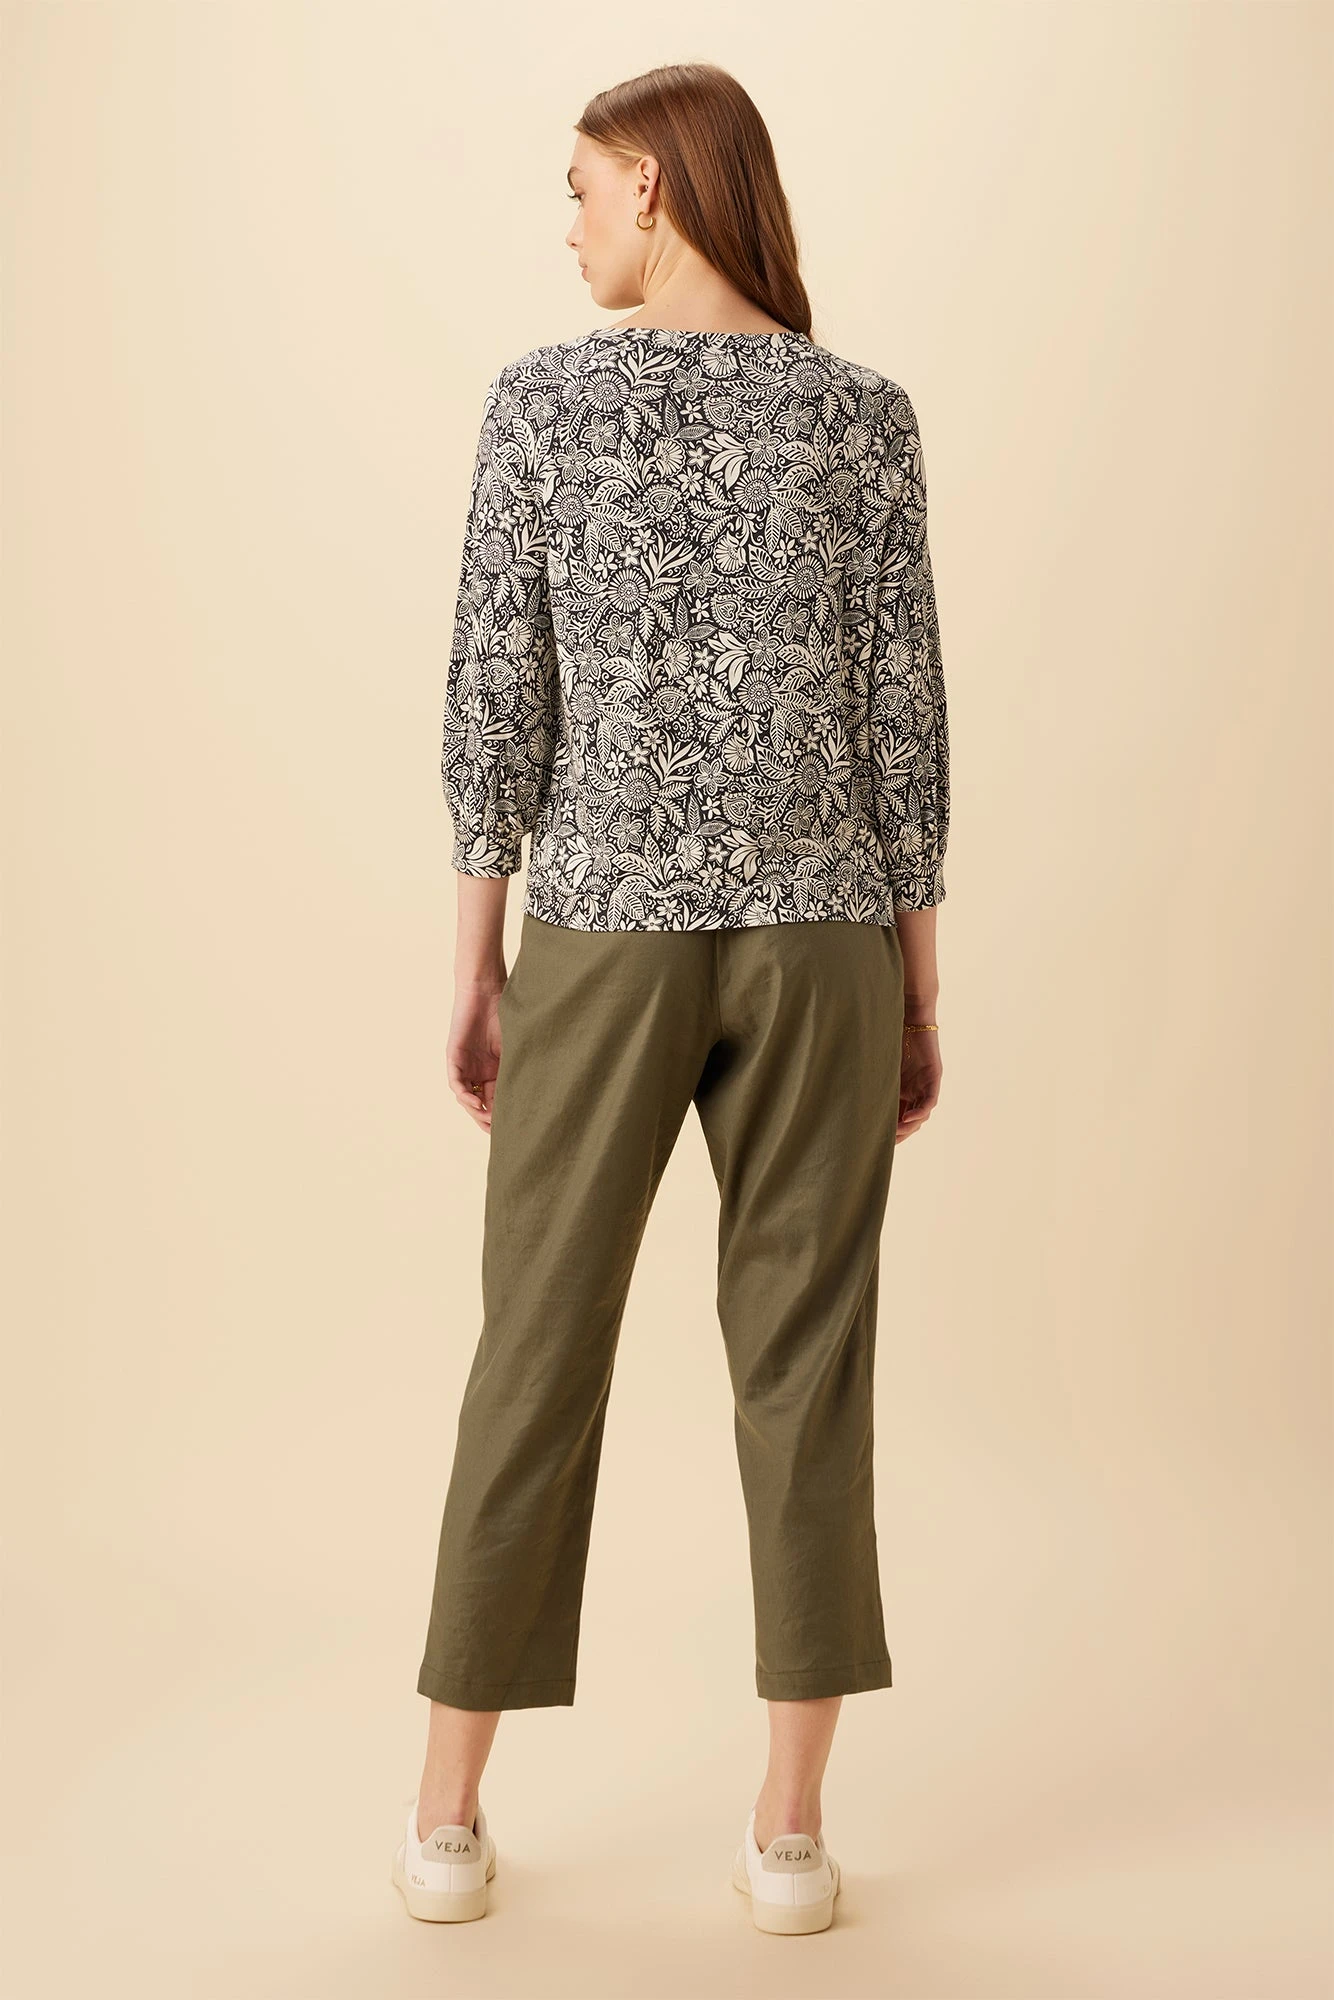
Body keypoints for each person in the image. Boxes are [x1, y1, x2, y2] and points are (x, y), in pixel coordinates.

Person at [392, 60, 950, 1936]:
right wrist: (915, 989)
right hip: (824, 941)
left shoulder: (540, 405)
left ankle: (444, 1820)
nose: (565, 225)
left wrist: (475, 962)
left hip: (605, 933)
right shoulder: (864, 418)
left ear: (650, 184)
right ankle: (788, 1836)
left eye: (577, 187)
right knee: (807, 1363)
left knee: (532, 1350)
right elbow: (901, 728)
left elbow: (497, 700)